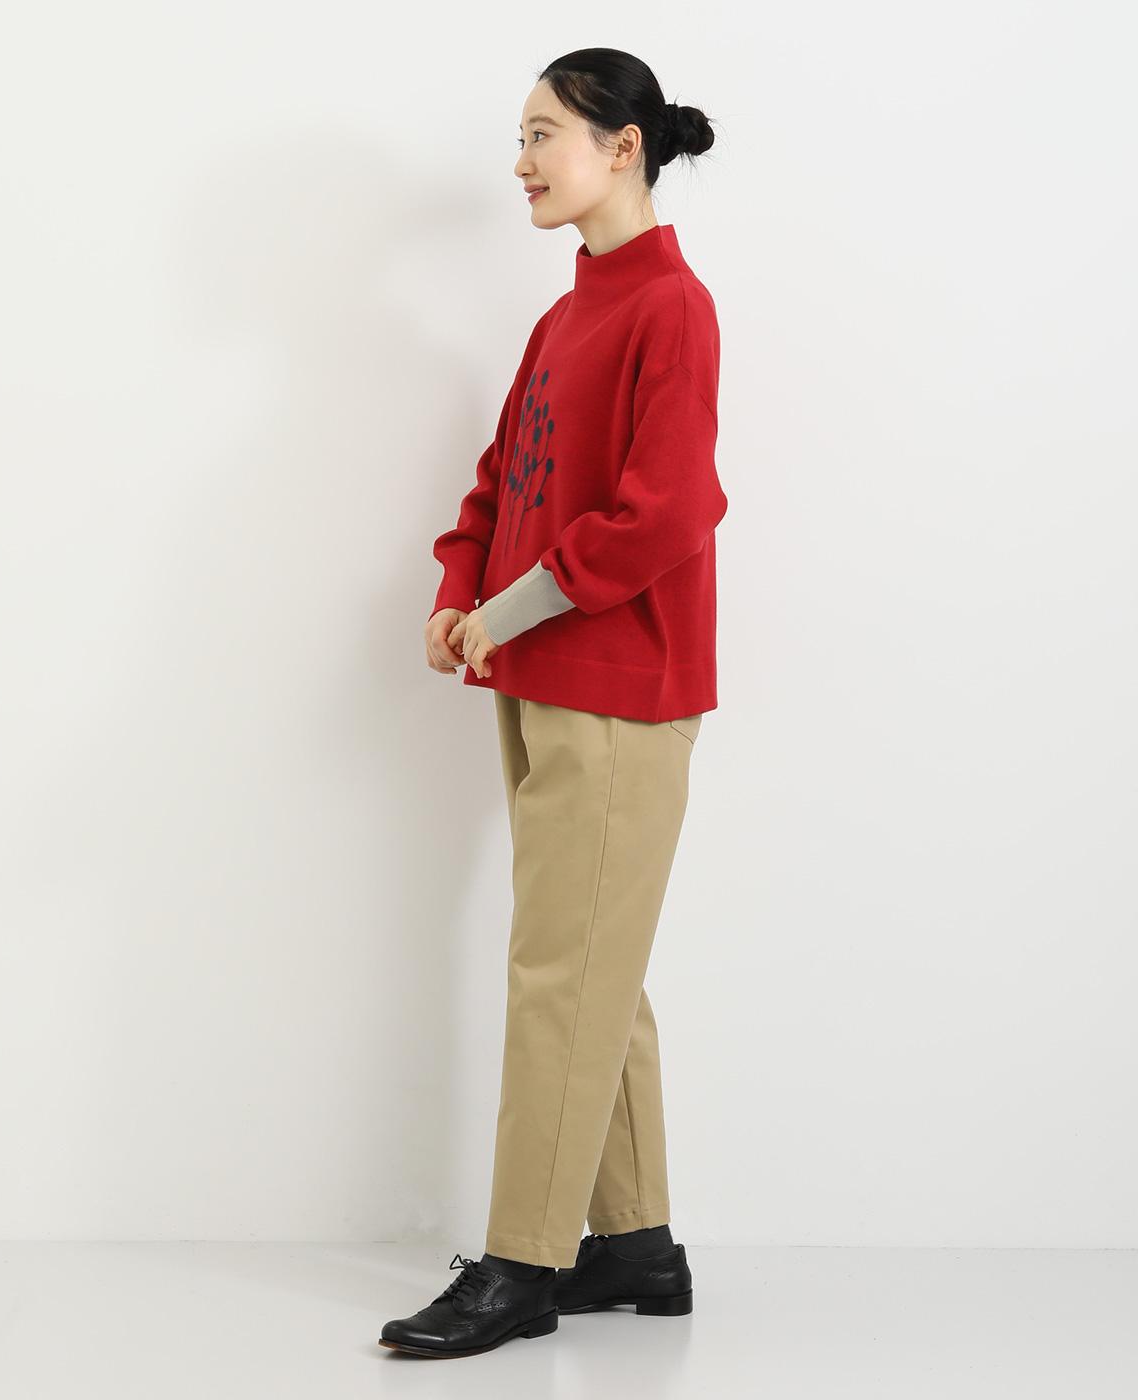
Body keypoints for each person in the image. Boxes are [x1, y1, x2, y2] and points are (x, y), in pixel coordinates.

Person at [381, 46, 726, 1359]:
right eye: (518, 136)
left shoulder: (671, 307)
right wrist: (457, 591)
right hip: (535, 678)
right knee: (592, 966)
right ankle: (635, 1249)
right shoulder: (567, 314)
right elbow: (501, 478)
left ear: (622, 145)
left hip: (618, 692)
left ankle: (523, 1262)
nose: (521, 161)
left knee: (560, 975)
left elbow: (667, 513)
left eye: (543, 134)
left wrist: (508, 607)